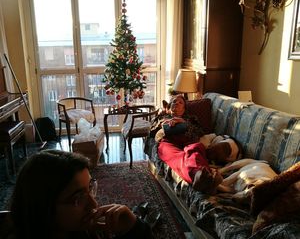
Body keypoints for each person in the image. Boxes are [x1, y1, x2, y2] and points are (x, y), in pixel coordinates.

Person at [0, 150, 152, 239]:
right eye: (77, 198)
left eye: (91, 187)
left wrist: (133, 226)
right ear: (42, 206)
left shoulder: (86, 230)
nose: (94, 204)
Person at [152, 94, 224, 194]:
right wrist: (163, 124)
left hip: (188, 142)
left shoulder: (191, 119)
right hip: (169, 143)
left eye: (180, 102)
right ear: (170, 107)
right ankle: (198, 176)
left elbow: (200, 133)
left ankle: (204, 177)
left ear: (184, 109)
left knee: (195, 150)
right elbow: (152, 132)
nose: (176, 103)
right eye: (174, 102)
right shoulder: (163, 117)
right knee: (179, 157)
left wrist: (185, 123)